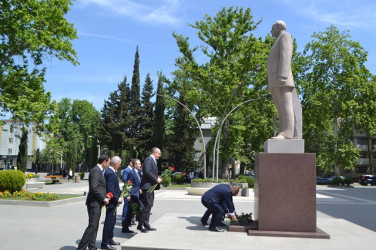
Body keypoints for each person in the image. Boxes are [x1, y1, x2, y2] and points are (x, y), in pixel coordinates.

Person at [266, 20, 302, 140]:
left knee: (286, 106)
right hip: (275, 79)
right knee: (280, 108)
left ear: (278, 27)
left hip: (282, 79)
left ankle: (287, 133)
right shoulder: (278, 39)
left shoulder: (285, 36)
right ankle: (284, 131)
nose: (271, 31)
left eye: (272, 27)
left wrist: (282, 76)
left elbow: (286, 55)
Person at [77, 155, 111, 250]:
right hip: (94, 203)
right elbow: (94, 188)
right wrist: (103, 198)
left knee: (94, 226)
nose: (108, 165)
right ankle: (81, 248)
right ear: (104, 162)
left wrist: (106, 195)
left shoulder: (99, 170)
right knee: (92, 226)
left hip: (96, 202)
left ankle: (92, 246)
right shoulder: (96, 170)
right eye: (108, 162)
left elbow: (99, 187)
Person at [101, 156, 123, 250]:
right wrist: (117, 198)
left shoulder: (112, 172)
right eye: (119, 164)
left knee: (112, 221)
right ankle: (105, 243)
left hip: (114, 201)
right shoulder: (110, 173)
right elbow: (110, 189)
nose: (120, 166)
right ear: (115, 164)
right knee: (109, 222)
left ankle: (110, 239)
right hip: (112, 201)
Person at [138, 147, 162, 233]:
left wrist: (157, 178)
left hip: (150, 186)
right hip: (147, 186)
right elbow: (147, 172)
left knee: (149, 205)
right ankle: (141, 224)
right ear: (155, 153)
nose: (160, 155)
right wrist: (156, 179)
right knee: (147, 205)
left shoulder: (153, 160)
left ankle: (146, 223)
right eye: (159, 153)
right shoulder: (149, 160)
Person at [122, 158, 143, 233]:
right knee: (141, 208)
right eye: (139, 164)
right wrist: (128, 195)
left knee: (130, 212)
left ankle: (125, 227)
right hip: (132, 195)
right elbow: (128, 184)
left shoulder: (137, 172)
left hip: (136, 194)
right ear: (135, 165)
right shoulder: (132, 173)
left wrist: (139, 189)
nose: (140, 165)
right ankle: (140, 225)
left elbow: (136, 183)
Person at [121, 159, 133, 228]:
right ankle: (124, 220)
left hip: (131, 189)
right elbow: (125, 179)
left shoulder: (131, 170)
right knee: (126, 205)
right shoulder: (126, 170)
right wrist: (131, 181)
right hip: (127, 189)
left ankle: (128, 220)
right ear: (130, 162)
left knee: (129, 206)